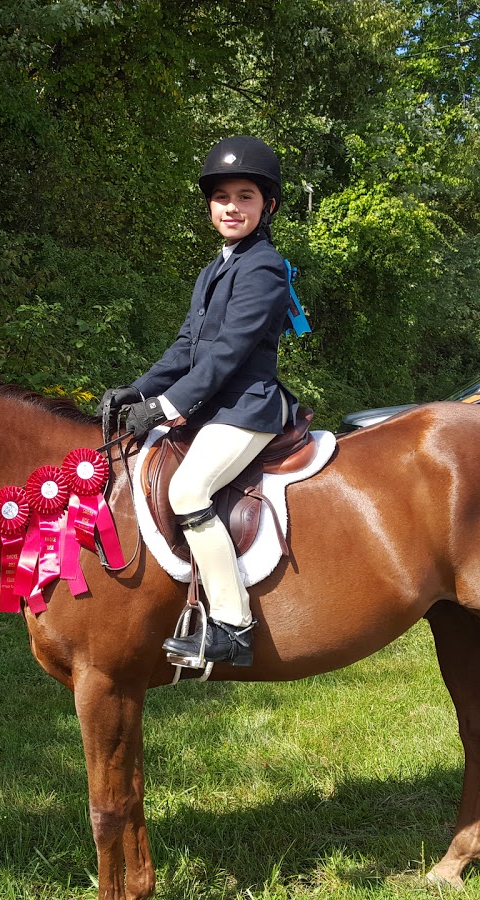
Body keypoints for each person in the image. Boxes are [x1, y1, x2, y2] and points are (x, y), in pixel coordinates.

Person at [102, 135, 300, 667]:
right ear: (210, 206)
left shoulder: (264, 267)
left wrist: (165, 408)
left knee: (189, 491)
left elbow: (229, 354)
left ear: (268, 206)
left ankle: (234, 627)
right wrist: (137, 390)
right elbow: (188, 347)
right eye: (221, 197)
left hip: (248, 405)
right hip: (216, 405)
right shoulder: (213, 271)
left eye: (245, 196)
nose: (231, 206)